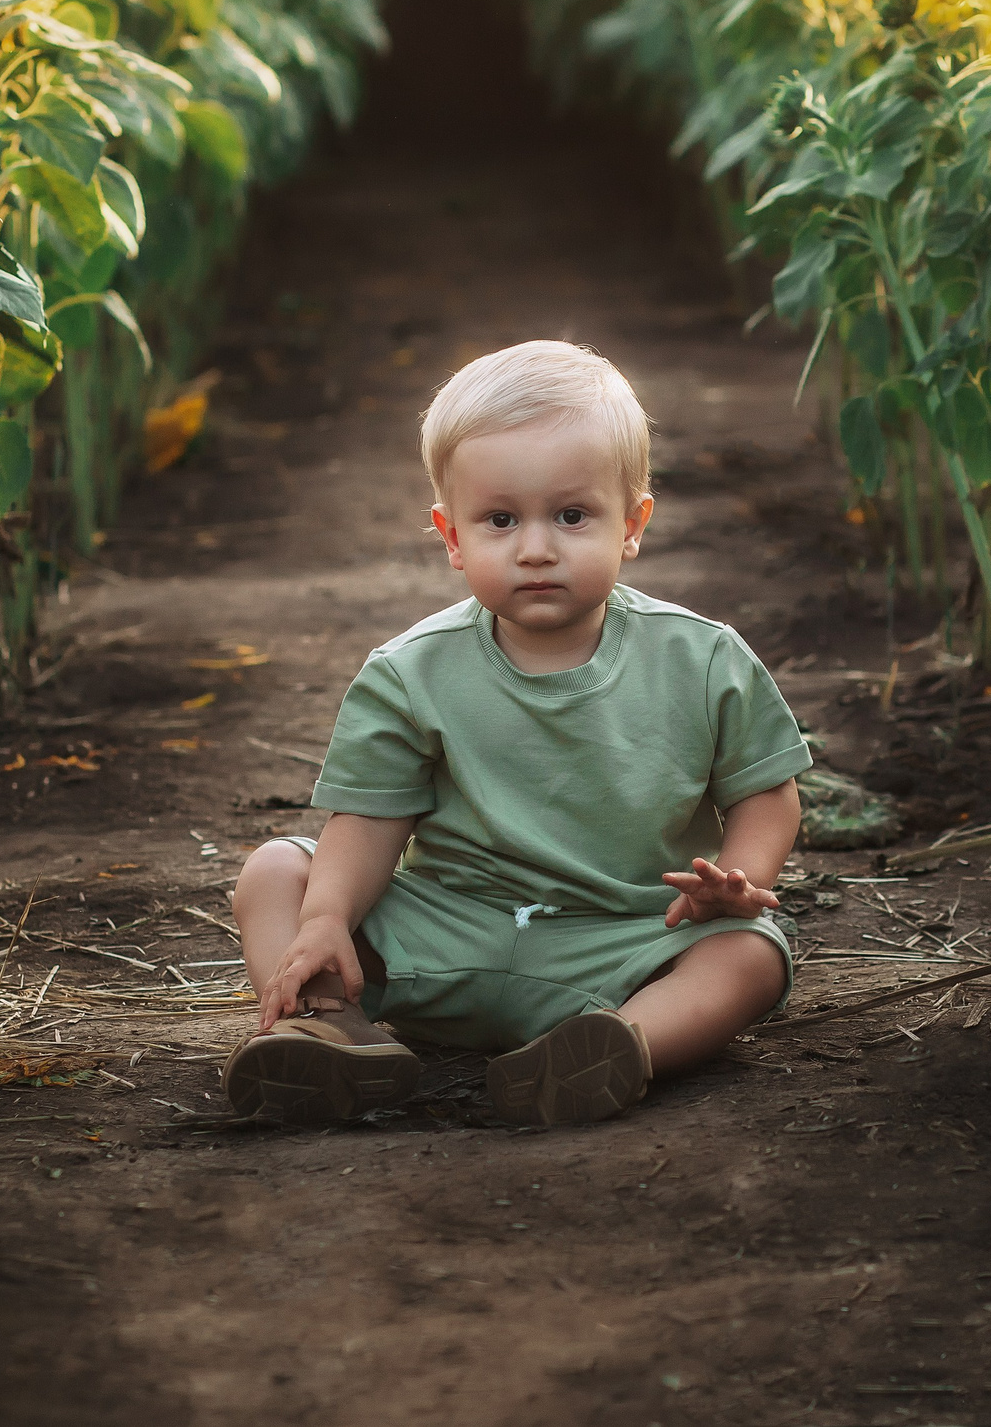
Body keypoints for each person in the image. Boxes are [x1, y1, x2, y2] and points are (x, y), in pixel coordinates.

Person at [221, 339, 810, 1126]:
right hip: (446, 934)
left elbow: (767, 794)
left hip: (627, 942)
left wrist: (734, 880)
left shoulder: (703, 660)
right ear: (452, 536)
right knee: (274, 873)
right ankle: (331, 1030)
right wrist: (328, 917)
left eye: (572, 516)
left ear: (631, 524)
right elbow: (369, 817)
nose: (536, 548)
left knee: (753, 953)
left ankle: (616, 1046)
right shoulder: (411, 672)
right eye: (501, 520)